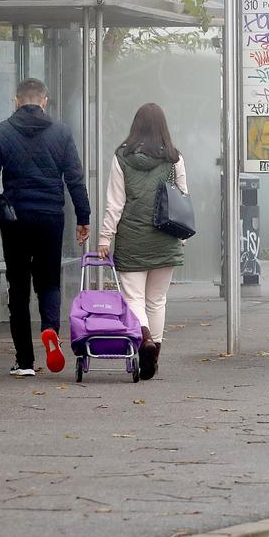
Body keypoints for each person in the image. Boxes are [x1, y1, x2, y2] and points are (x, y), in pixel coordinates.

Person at [0, 77, 90, 377]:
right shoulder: (61, 133)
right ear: (44, 100)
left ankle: (24, 361)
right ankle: (49, 329)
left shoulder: (1, 132)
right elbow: (74, 177)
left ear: (16, 100)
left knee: (19, 286)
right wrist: (84, 217)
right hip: (51, 217)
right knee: (49, 281)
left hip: (15, 219)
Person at [97, 103, 187, 380]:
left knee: (134, 298)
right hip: (166, 238)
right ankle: (154, 353)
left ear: (135, 126)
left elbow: (115, 204)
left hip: (132, 240)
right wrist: (181, 236)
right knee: (157, 301)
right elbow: (183, 197)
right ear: (163, 127)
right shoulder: (174, 158)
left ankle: (143, 340)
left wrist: (104, 238)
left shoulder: (121, 157)